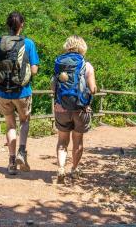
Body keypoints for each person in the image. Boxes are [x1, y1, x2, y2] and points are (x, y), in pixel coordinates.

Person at [0, 11, 39, 175]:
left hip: (2, 91)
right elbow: (34, 70)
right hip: (22, 91)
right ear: (22, 25)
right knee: (24, 121)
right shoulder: (28, 43)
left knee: (10, 124)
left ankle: (11, 163)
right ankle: (22, 152)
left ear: (7, 25)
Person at [52, 35, 97, 183]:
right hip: (81, 109)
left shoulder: (59, 64)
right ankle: (74, 170)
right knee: (77, 141)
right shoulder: (86, 65)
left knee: (62, 141)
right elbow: (93, 89)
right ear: (82, 47)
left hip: (61, 108)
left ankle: (61, 168)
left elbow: (53, 86)